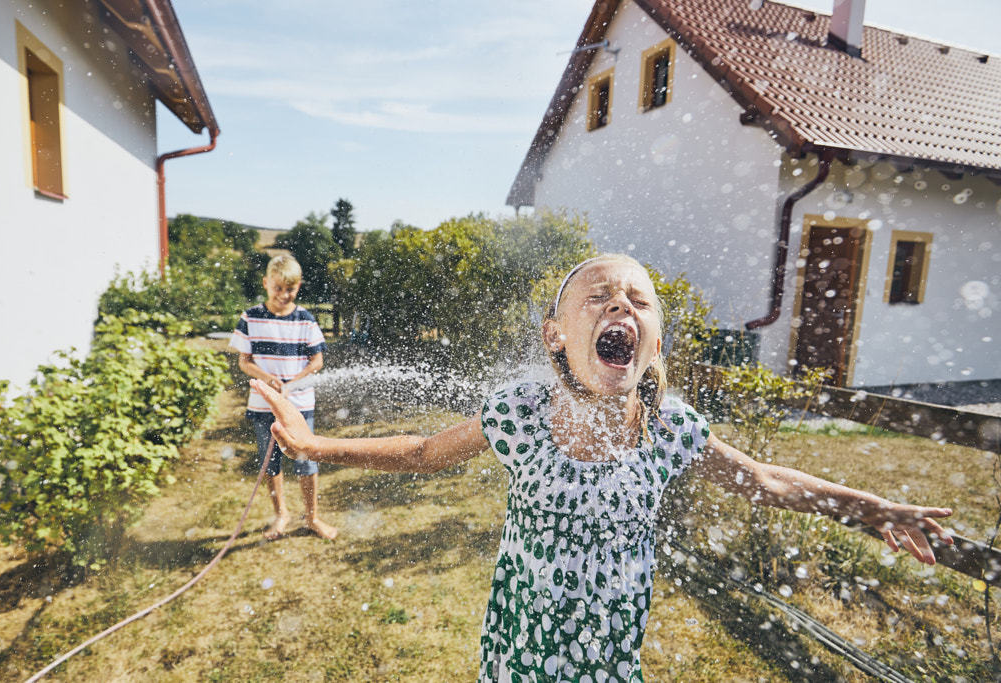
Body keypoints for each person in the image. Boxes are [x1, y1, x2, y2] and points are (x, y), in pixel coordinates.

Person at [250, 253, 952, 682]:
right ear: (556, 335)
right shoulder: (522, 412)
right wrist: (314, 448)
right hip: (520, 648)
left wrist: (870, 506)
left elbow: (766, 480)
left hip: (608, 661)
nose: (621, 303)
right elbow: (424, 451)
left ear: (651, 340)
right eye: (598, 297)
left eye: (638, 299)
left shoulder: (670, 429)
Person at [230, 254, 337, 541]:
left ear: (298, 287)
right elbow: (244, 360)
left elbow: (317, 362)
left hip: (299, 404)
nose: (283, 294)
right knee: (270, 462)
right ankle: (282, 515)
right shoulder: (250, 317)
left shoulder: (305, 319)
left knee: (307, 460)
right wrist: (268, 379)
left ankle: (312, 517)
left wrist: (292, 383)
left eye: (289, 289)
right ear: (266, 283)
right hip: (263, 405)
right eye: (277, 288)